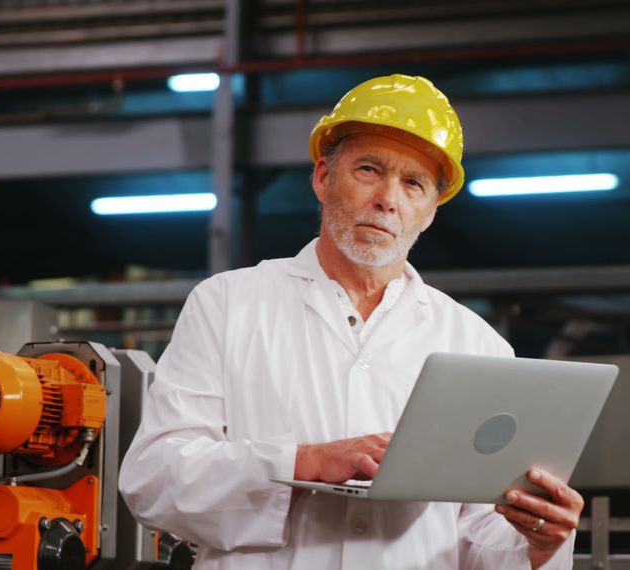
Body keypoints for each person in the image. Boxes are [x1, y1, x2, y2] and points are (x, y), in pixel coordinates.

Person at [119, 74, 584, 569]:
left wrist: (538, 543)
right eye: (369, 169)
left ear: (428, 212)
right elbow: (155, 478)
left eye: (413, 184)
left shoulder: (476, 344)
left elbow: (474, 531)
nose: (388, 199)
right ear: (323, 178)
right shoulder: (228, 304)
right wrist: (304, 461)